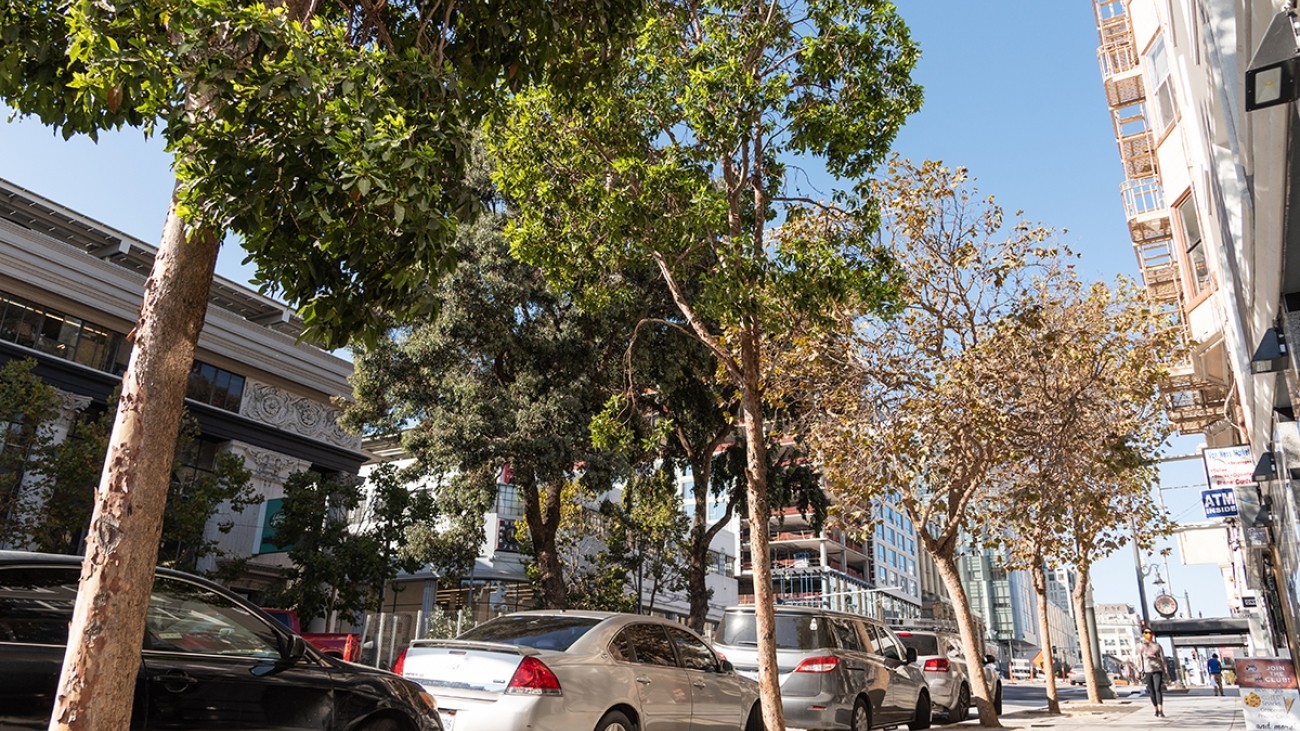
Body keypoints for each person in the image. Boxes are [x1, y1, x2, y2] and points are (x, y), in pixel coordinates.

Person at [1140, 628, 1167, 717]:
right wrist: (1140, 670)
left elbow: (1163, 659)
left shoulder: (1157, 645)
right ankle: (1155, 709)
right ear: (1143, 634)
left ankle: (1160, 710)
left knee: (1157, 689)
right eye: (1146, 633)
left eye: (1150, 633)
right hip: (1147, 670)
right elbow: (1138, 659)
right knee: (1151, 691)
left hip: (1157, 669)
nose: (1149, 634)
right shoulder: (1141, 646)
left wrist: (1165, 670)